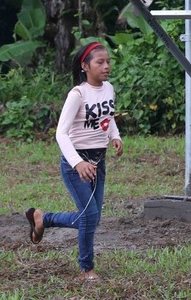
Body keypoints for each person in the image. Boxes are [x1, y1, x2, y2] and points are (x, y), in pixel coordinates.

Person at [24, 41, 124, 282]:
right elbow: (61, 133)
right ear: (85, 66)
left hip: (98, 163)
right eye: (100, 62)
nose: (106, 66)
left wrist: (115, 136)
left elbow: (108, 117)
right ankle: (86, 269)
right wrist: (78, 163)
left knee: (92, 218)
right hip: (76, 165)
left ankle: (43, 219)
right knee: (89, 217)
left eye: (108, 61)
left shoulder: (109, 88)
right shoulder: (77, 95)